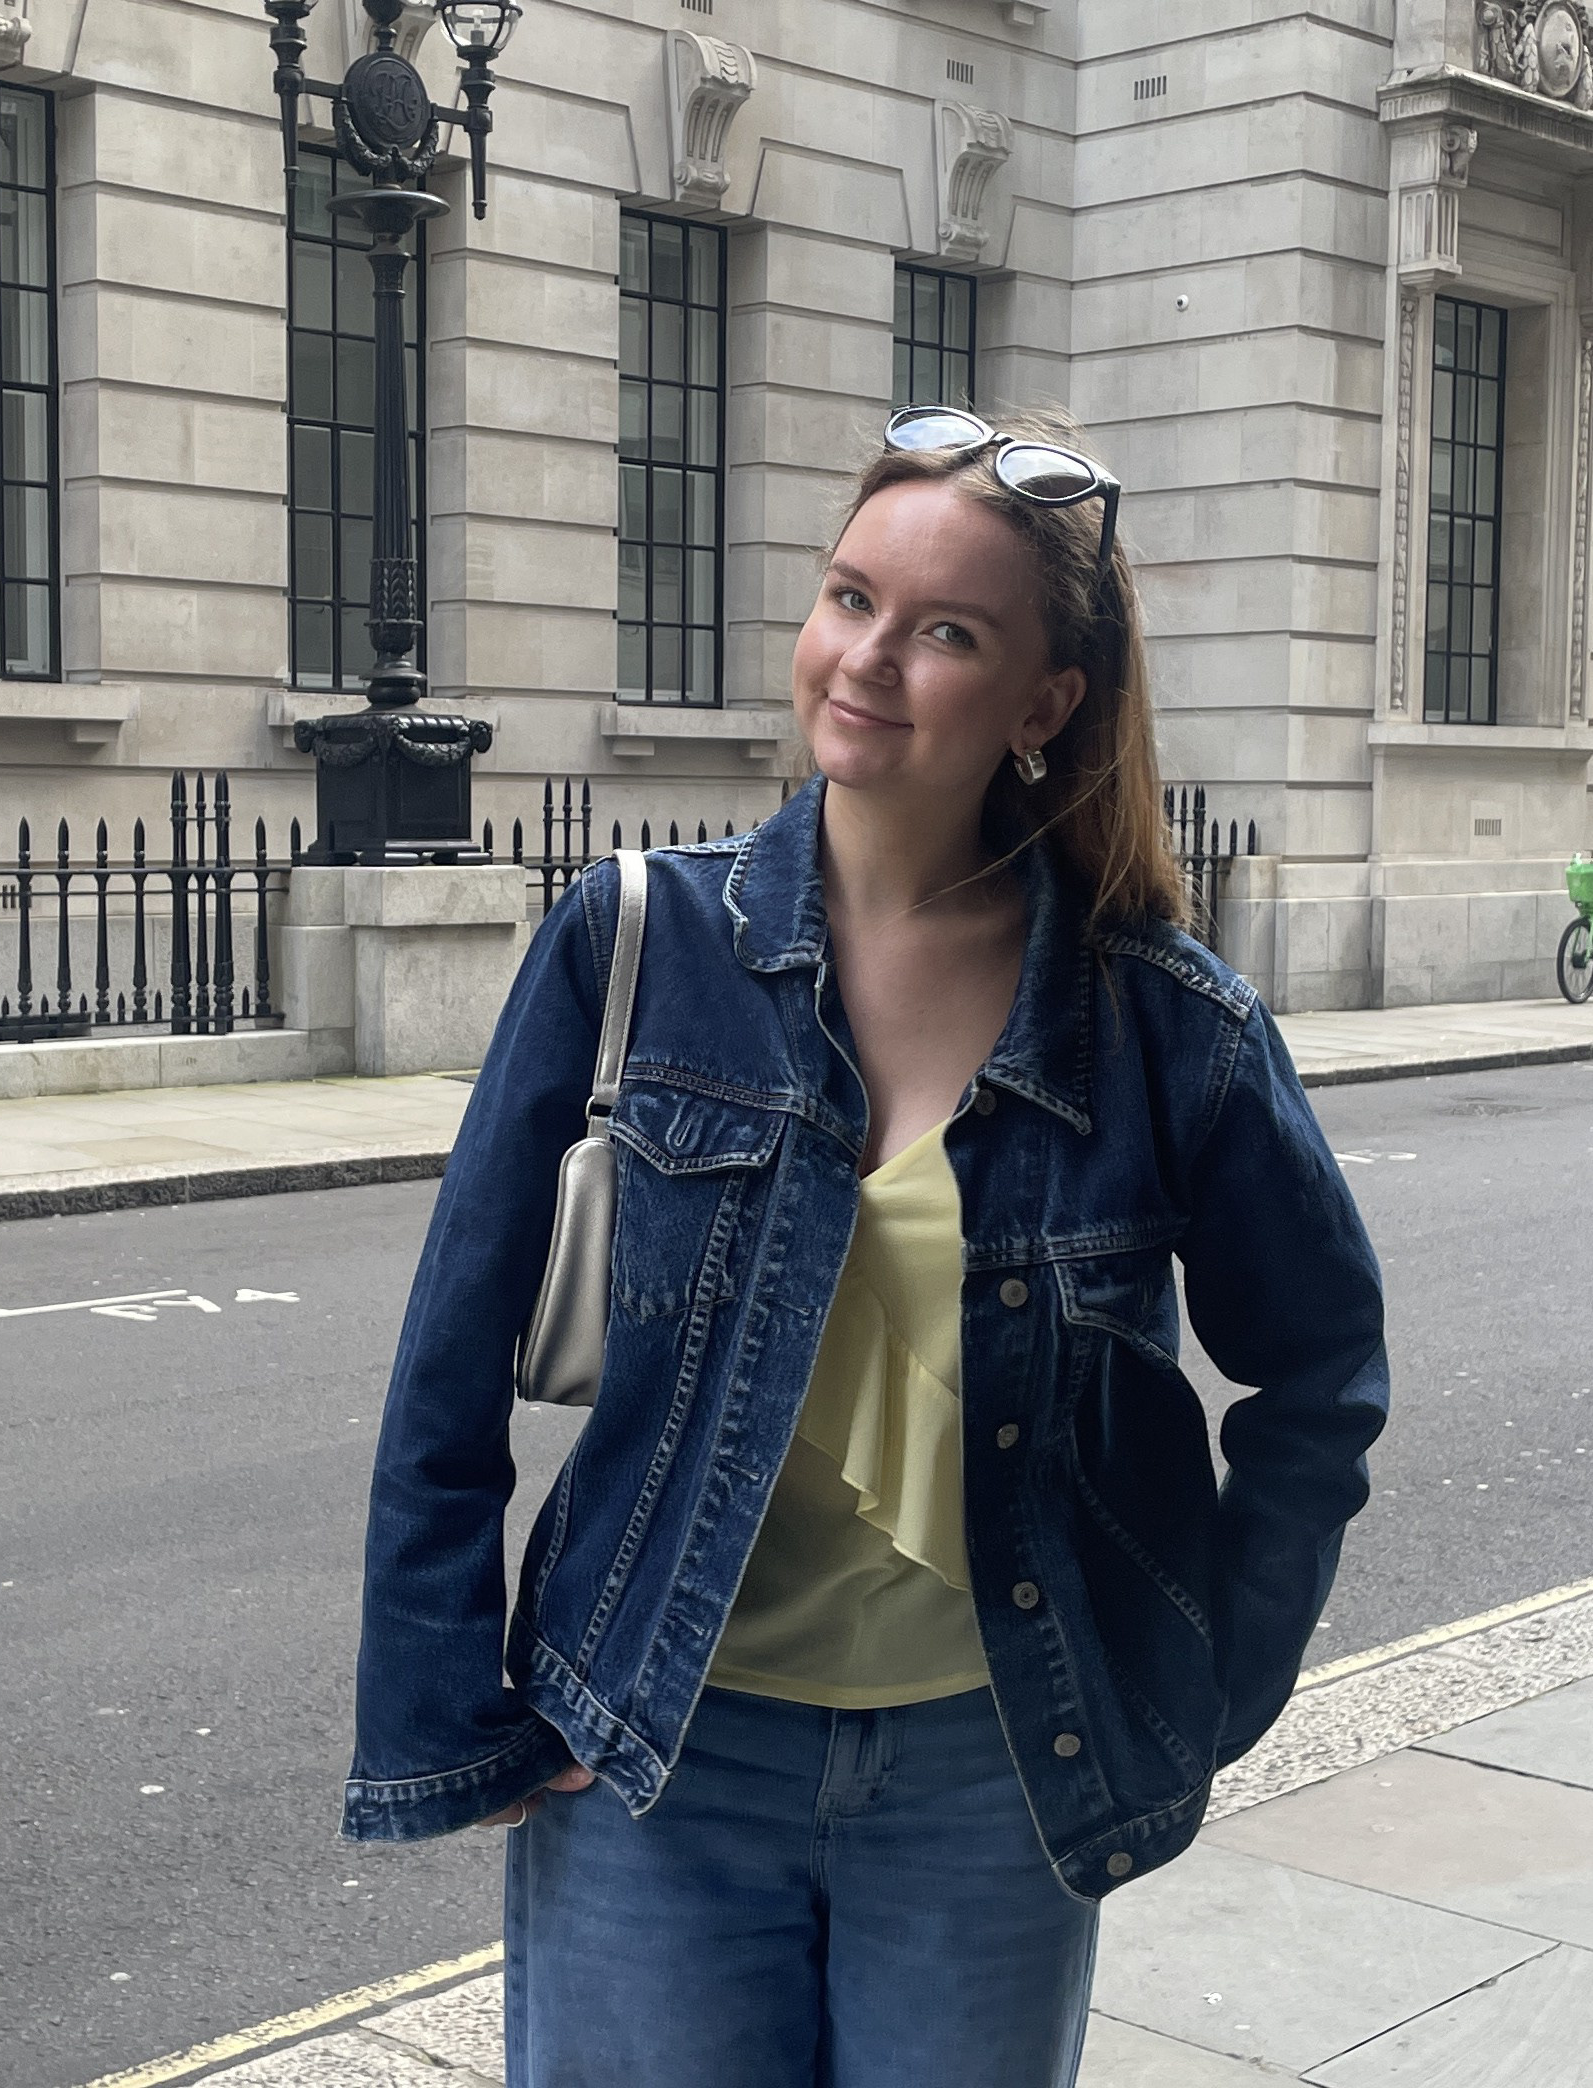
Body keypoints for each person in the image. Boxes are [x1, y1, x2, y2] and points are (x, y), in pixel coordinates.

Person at [342, 404, 1390, 2088]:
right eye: (850, 599)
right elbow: (450, 1356)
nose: (869, 659)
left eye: (947, 631)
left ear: (1045, 705)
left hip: (993, 1772)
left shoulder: (1161, 1027)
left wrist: (1201, 1681)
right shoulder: (635, 946)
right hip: (658, 1752)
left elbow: (1321, 1373)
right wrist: (451, 1694)